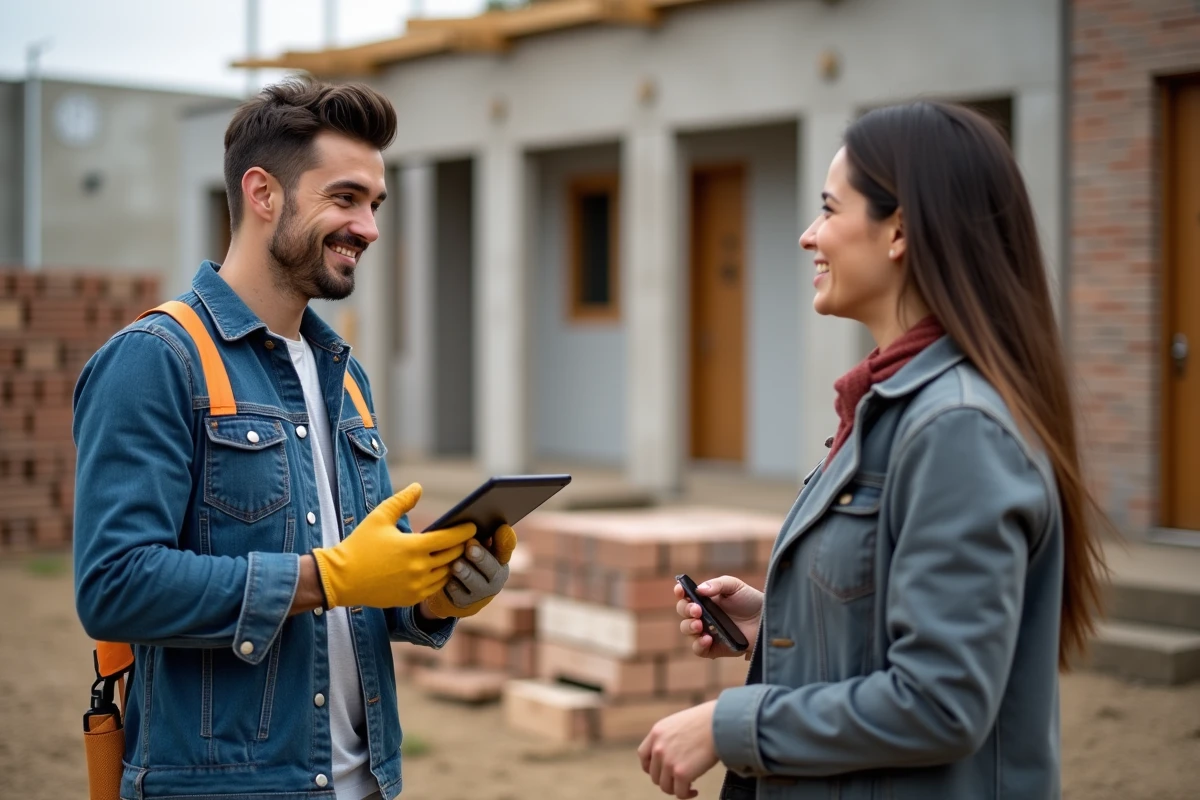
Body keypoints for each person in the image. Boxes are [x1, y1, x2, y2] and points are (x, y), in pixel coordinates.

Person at [637, 101, 1108, 800]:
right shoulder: (893, 406)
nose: (808, 236)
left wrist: (726, 725)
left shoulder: (957, 428)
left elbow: (941, 702)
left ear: (899, 231)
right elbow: (903, 627)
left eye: (829, 209)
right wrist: (782, 619)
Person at [73, 77, 516, 800]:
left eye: (374, 205)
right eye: (345, 198)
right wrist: (325, 579)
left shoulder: (345, 377)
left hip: (364, 783)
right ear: (263, 193)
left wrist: (438, 592)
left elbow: (373, 584)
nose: (368, 227)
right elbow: (114, 586)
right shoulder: (156, 359)